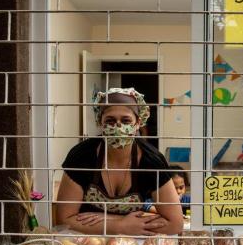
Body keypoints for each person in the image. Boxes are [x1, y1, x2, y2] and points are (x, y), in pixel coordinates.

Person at [56, 87, 184, 236]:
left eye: (126, 120)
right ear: (100, 122)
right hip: (86, 244)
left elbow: (175, 224)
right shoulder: (82, 156)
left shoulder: (151, 161)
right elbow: (63, 221)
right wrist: (119, 226)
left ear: (138, 123)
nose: (118, 127)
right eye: (110, 121)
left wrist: (108, 219)